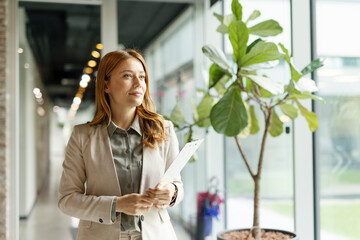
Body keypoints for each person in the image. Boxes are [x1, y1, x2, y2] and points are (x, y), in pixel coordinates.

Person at [58, 49, 183, 240]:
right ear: (105, 85)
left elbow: (178, 185)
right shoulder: (82, 136)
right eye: (127, 76)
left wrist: (172, 193)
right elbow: (67, 200)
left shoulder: (163, 129)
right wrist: (117, 204)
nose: (138, 83)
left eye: (142, 77)